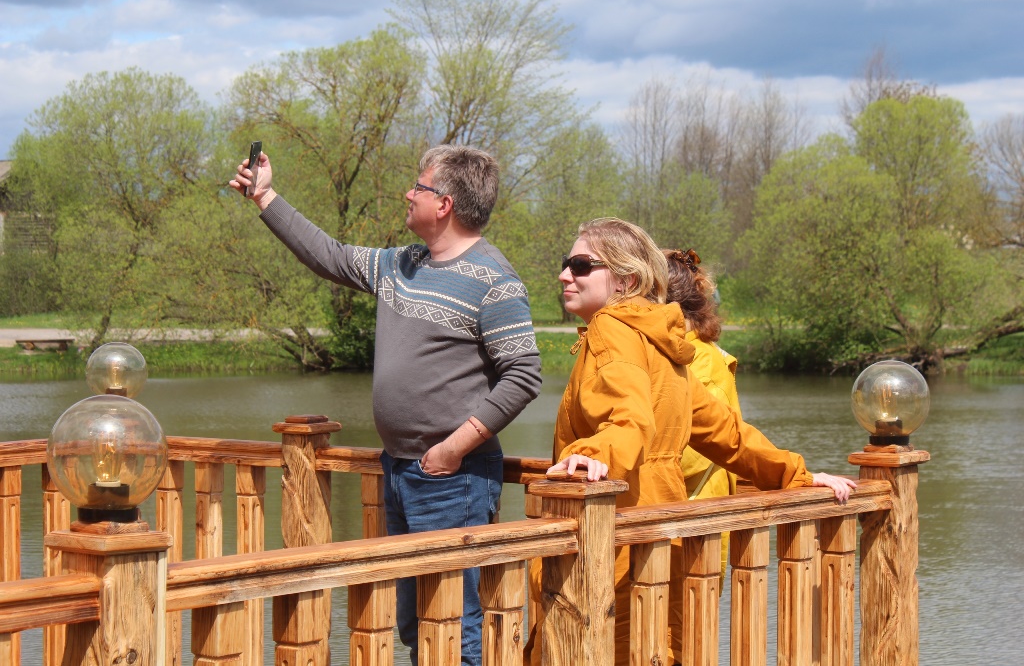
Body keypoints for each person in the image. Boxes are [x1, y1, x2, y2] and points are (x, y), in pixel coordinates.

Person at [230, 144, 543, 666]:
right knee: (414, 623)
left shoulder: (495, 281)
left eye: (418, 186)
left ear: (443, 203)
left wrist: (451, 450)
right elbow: (327, 254)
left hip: (454, 478)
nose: (408, 193)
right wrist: (265, 196)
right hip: (399, 470)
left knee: (455, 628)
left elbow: (523, 375)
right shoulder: (402, 263)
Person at [524, 218, 855, 666]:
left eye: (581, 265)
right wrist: (796, 474)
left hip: (614, 542)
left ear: (627, 279)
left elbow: (629, 419)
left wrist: (590, 456)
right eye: (567, 263)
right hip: (663, 535)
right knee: (658, 649)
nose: (565, 274)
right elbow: (726, 434)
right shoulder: (659, 341)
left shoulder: (611, 331)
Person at [664, 247, 739, 585]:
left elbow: (694, 456)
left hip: (692, 536)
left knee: (680, 635)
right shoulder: (676, 354)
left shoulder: (702, 362)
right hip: (671, 529)